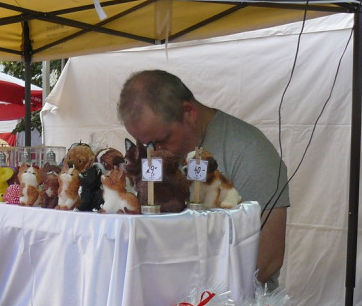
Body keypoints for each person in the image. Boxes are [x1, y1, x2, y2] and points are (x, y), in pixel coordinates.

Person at [117, 69, 290, 285]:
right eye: (147, 145)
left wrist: (197, 297)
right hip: (168, 303)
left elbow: (268, 258)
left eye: (162, 140)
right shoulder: (158, 156)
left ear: (189, 112)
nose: (155, 152)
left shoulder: (249, 151)